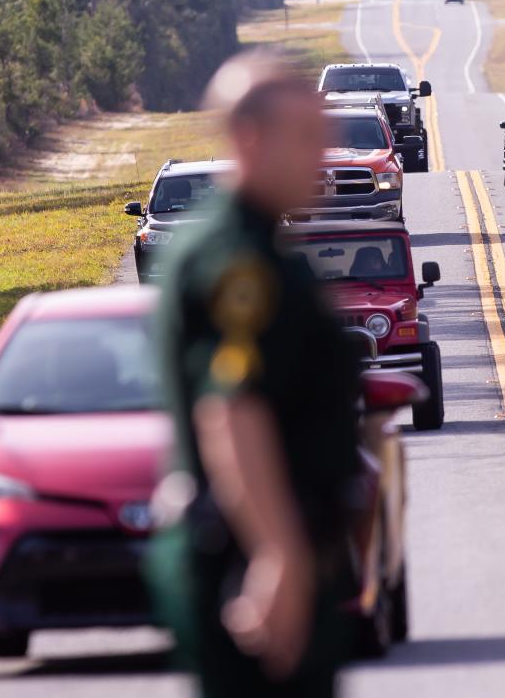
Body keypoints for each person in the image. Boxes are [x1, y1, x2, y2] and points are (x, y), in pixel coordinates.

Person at [148, 51, 362, 698]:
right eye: (304, 139)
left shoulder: (256, 246)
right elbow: (232, 411)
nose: (320, 157)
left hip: (265, 551)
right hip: (248, 559)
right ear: (249, 138)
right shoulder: (237, 263)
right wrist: (280, 559)